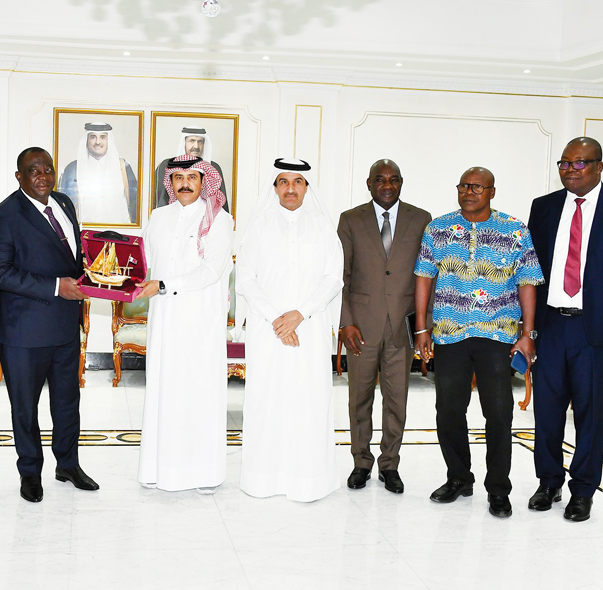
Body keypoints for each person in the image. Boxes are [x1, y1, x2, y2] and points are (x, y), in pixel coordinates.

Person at [527, 137, 603, 522]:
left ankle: (583, 490)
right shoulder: (543, 208)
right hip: (549, 327)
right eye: (565, 163)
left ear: (599, 166)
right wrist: (525, 330)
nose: (570, 170)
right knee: (546, 412)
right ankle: (548, 482)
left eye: (579, 163)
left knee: (590, 415)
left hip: (595, 332)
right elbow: (528, 273)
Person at [413, 167, 543, 519]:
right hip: (450, 333)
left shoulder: (515, 230)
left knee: (499, 414)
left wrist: (527, 334)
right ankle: (459, 478)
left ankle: (498, 490)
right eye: (464, 186)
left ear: (492, 192)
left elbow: (527, 282)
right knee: (449, 411)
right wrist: (422, 328)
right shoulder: (437, 228)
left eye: (477, 187)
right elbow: (424, 278)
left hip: (497, 336)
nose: (469, 191)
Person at [0, 147, 97, 503]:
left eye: (48, 169)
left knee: (67, 402)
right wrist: (55, 287)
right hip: (23, 331)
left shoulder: (63, 202)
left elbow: (72, 256)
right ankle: (30, 472)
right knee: (24, 407)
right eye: (34, 171)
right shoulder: (3, 216)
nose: (43, 176)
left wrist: (97, 272)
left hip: (64, 326)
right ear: (19, 176)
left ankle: (68, 464)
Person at [236, 158, 343, 502]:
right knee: (266, 400)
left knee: (308, 400)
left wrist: (299, 315)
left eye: (298, 182)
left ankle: (308, 479)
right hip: (267, 331)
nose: (291, 188)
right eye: (283, 182)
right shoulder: (258, 227)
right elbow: (246, 279)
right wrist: (276, 319)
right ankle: (263, 478)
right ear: (275, 187)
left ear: (307, 187)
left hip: (309, 330)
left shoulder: (323, 228)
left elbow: (333, 279)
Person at [135, 154, 234, 494]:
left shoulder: (220, 219)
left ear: (205, 181)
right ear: (171, 183)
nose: (185, 183)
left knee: (198, 392)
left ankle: (203, 472)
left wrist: (162, 285)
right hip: (164, 321)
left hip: (200, 321)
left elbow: (211, 271)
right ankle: (157, 468)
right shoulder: (158, 217)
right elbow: (142, 260)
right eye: (178, 178)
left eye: (193, 177)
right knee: (165, 390)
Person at [338, 159, 431, 494]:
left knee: (397, 400)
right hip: (361, 328)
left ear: (401, 182)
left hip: (402, 328)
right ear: (369, 183)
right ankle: (361, 462)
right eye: (381, 180)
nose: (387, 185)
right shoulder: (350, 220)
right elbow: (342, 278)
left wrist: (424, 326)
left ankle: (390, 465)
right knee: (358, 399)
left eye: (394, 180)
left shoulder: (421, 220)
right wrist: (346, 323)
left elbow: (427, 277)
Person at [57, 122, 139, 225]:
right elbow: (63, 206)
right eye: (93, 137)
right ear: (86, 140)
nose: (98, 142)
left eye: (103, 137)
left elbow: (135, 204)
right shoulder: (73, 169)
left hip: (119, 232)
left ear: (109, 140)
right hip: (84, 233)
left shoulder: (123, 167)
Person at [153, 127, 230, 213]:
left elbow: (223, 206)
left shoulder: (214, 167)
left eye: (200, 141)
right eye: (192, 141)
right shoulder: (167, 165)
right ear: (184, 143)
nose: (196, 146)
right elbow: (159, 201)